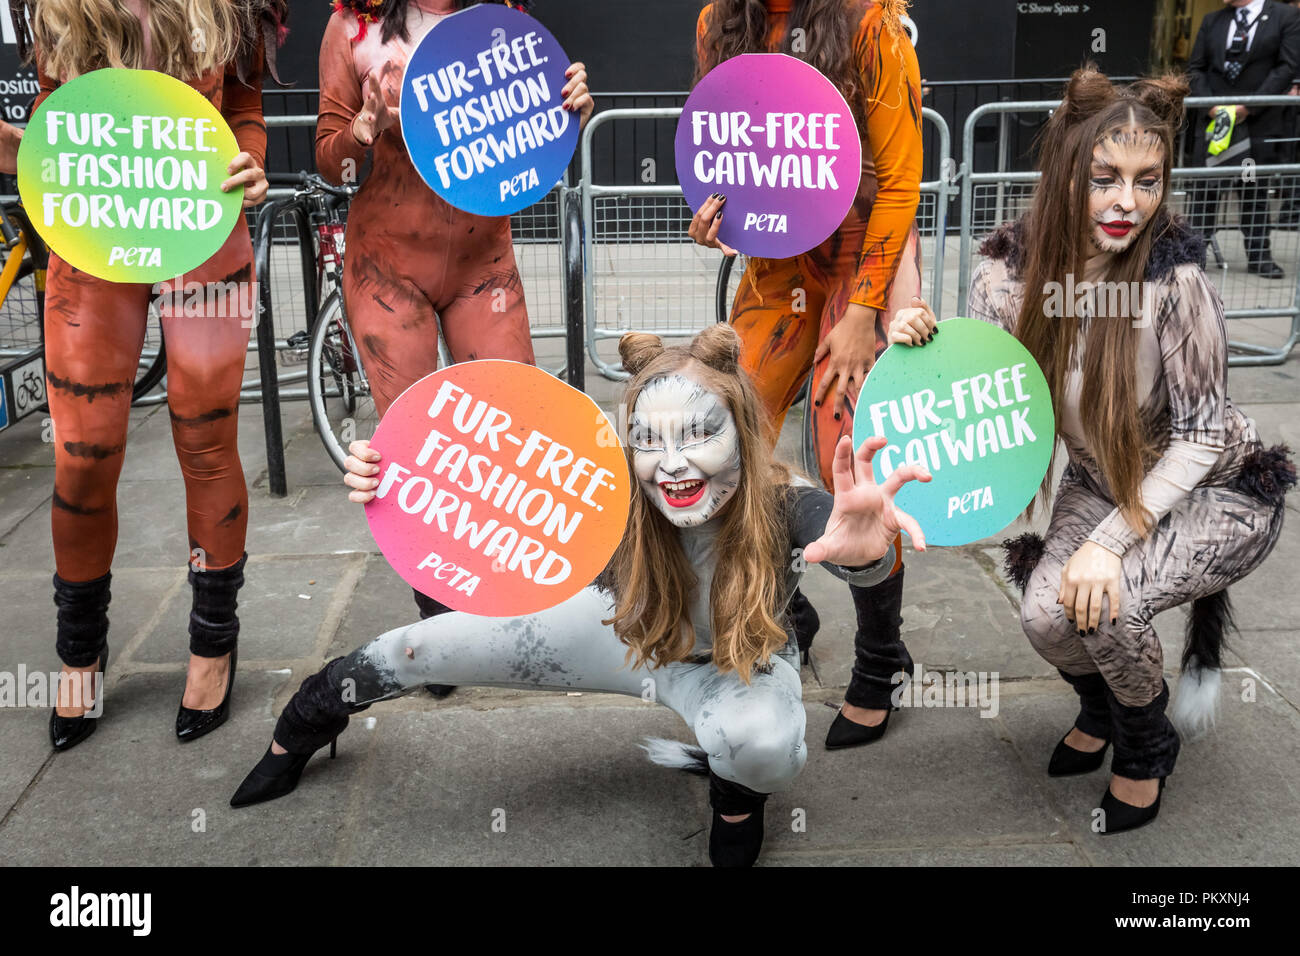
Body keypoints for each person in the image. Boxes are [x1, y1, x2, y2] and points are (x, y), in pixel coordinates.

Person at [229, 324, 932, 866]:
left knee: (764, 745)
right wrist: (394, 477)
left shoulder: (786, 502)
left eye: (700, 435)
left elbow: (850, 547)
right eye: (650, 441)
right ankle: (308, 719)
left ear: (742, 437)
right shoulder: (611, 497)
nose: (676, 463)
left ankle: (737, 799)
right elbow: (479, 480)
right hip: (618, 632)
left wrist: (867, 557)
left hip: (732, 667)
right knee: (417, 646)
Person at [890, 67, 1293, 834]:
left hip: (1218, 489)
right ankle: (1107, 707)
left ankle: (1146, 745)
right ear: (1066, 169)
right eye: (1104, 177)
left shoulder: (1178, 283)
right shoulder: (1004, 276)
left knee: (1109, 602)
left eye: (1147, 182)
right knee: (1046, 619)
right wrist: (923, 341)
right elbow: (987, 386)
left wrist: (1108, 545)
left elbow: (1206, 436)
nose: (1125, 203)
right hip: (1097, 477)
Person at [9, 0, 286, 751]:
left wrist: (251, 161)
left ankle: (212, 640)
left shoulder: (229, 6)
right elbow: (52, 122)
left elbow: (246, 108)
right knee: (83, 452)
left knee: (205, 438)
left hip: (205, 225)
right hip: (89, 229)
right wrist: (20, 146)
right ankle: (79, 649)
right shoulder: (60, 7)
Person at [317, 0, 593, 695]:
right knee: (417, 450)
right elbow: (330, 164)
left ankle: (508, 602)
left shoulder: (502, 20)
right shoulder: (354, 23)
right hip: (388, 268)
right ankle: (438, 624)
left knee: (513, 432)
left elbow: (532, 143)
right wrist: (366, 128)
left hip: (482, 261)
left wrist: (568, 109)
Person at [687, 0, 924, 749]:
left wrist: (864, 310)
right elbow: (726, 153)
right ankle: (787, 607)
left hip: (861, 252)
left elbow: (900, 180)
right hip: (780, 262)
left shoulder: (872, 25)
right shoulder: (717, 21)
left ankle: (882, 657)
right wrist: (712, 214)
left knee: (846, 458)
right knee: (717, 435)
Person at [1186, 0, 1300, 277]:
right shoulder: (1213, 20)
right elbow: (1196, 68)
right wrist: (1211, 105)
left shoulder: (1284, 17)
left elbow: (1287, 66)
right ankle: (1192, 257)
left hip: (1256, 124)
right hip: (1216, 122)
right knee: (1205, 192)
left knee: (1252, 188)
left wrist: (1249, 106)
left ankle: (1259, 256)